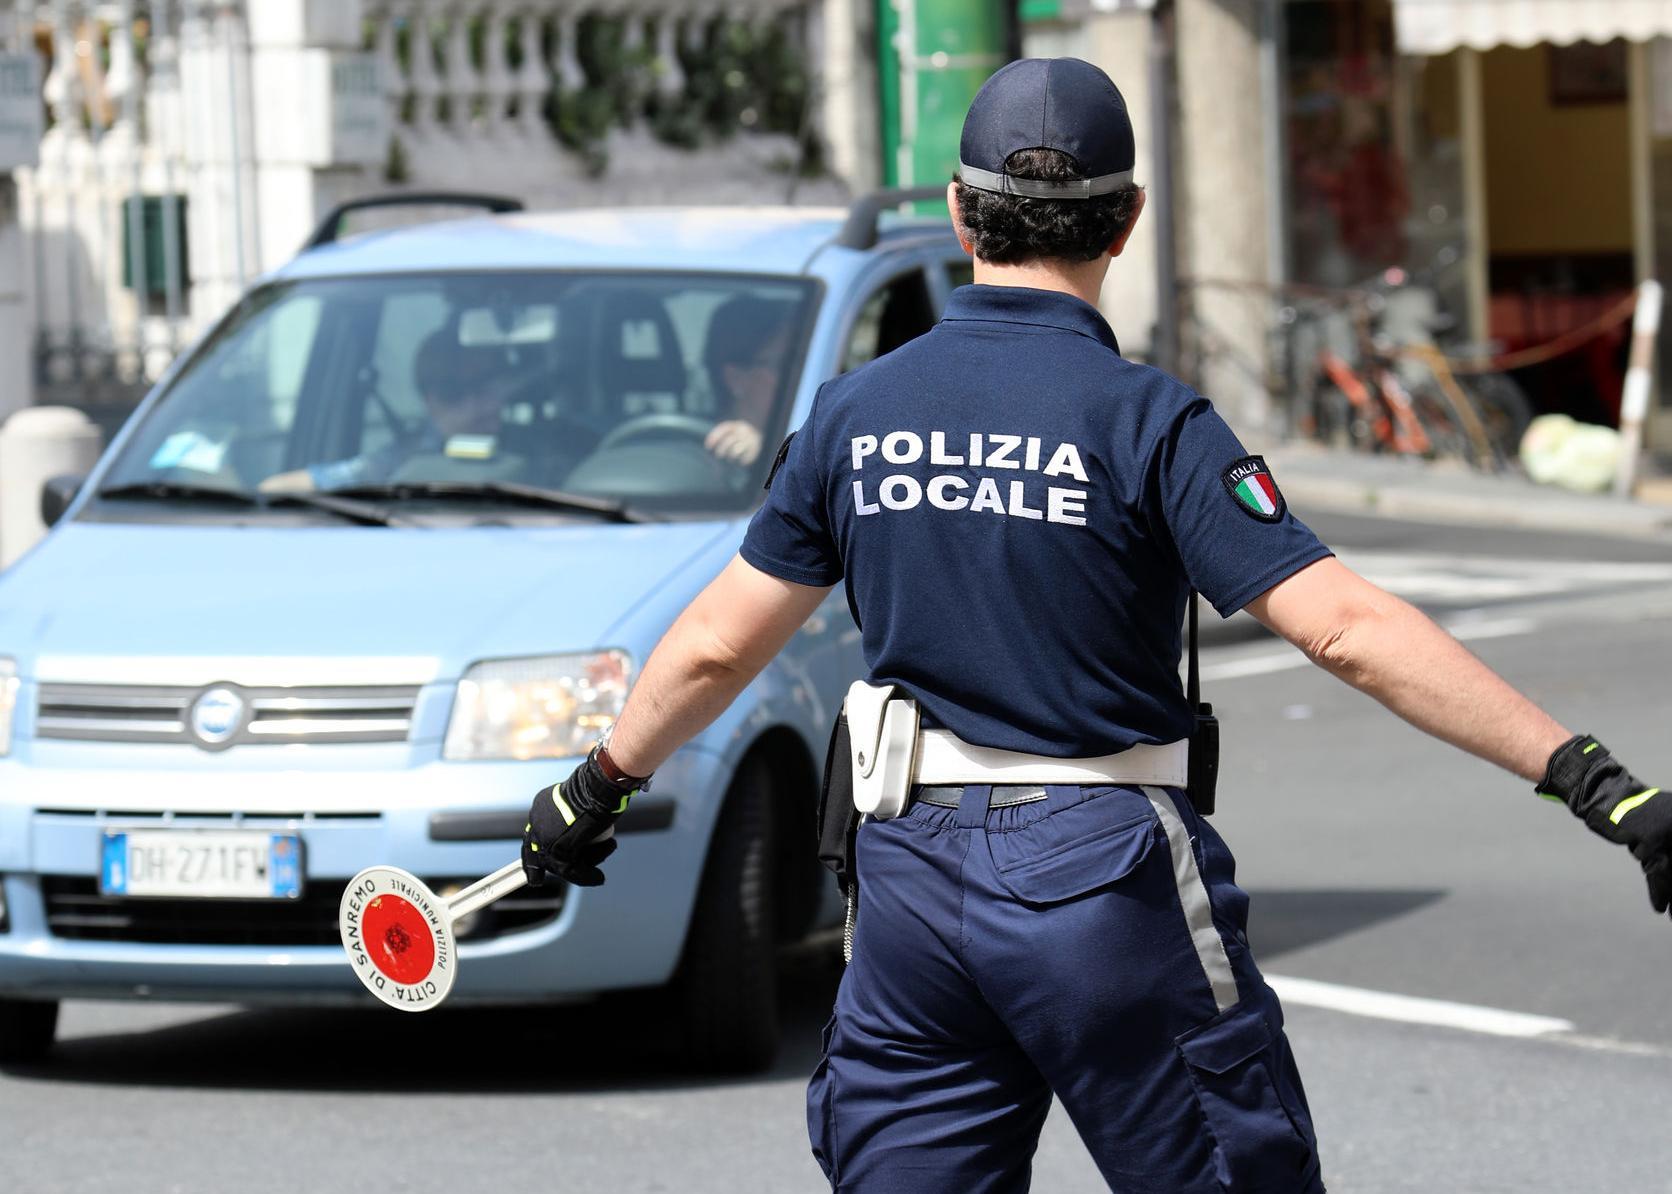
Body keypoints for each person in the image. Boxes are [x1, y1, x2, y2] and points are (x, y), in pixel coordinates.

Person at [519, 58, 1671, 1192]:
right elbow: (1345, 630)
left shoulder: (854, 414)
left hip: (909, 880)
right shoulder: (1150, 424)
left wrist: (596, 785)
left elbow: (722, 641)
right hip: (1103, 878)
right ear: (1124, 222)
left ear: (963, 214)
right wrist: (1584, 775)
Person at [260, 326, 508, 492]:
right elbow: (325, 480)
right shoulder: (405, 459)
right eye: (453, 393)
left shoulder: (543, 448)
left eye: (485, 387)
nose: (476, 406)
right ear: (428, 400)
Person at [701, 295, 796, 467]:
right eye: (781, 365)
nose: (793, 372)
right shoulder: (695, 455)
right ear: (735, 378)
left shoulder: (808, 432)